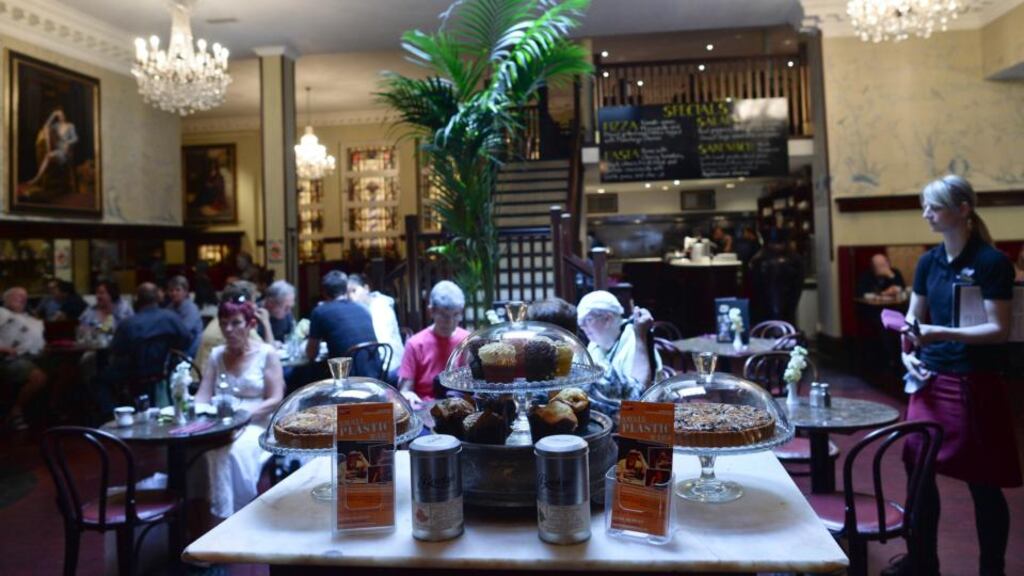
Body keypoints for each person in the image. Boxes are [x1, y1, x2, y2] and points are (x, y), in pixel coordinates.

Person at [895, 175, 1019, 576]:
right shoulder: (929, 261)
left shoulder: (991, 263)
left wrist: (937, 333)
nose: (926, 213)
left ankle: (992, 570)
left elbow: (997, 329)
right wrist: (907, 353)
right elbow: (912, 321)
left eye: (934, 206)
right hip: (930, 379)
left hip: (974, 381)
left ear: (963, 210)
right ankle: (923, 560)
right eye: (925, 206)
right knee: (918, 472)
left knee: (983, 483)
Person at [192, 298, 285, 520]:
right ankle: (201, 512)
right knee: (197, 449)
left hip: (258, 419)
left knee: (231, 452)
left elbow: (275, 398)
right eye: (224, 324)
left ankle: (235, 514)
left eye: (236, 323)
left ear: (251, 324)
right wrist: (197, 415)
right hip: (222, 419)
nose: (229, 330)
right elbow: (203, 394)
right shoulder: (217, 355)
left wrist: (241, 418)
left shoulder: (266, 353)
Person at [95, 283, 191, 416]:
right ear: (158, 297)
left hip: (132, 375)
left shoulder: (128, 324)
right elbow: (186, 340)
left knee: (99, 380)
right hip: (163, 373)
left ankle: (112, 416)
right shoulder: (171, 318)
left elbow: (116, 350)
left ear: (137, 299)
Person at [576, 290, 659, 416]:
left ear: (607, 319)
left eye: (588, 320)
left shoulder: (636, 343)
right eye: (580, 322)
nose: (582, 326)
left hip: (639, 417)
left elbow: (637, 396)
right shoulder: (594, 344)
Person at [397, 281, 470, 405]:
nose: (450, 322)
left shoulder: (466, 340)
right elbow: (405, 390)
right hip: (426, 408)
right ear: (431, 311)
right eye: (444, 315)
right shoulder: (415, 344)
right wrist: (408, 395)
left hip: (460, 407)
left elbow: (471, 385)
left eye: (456, 315)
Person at [306, 271, 377, 376]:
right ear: (346, 290)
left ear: (324, 292)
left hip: (345, 378)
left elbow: (311, 354)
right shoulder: (363, 308)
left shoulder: (320, 311)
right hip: (376, 374)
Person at [1, 287, 47, 431]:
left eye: (24, 297)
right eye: (17, 296)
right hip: (7, 359)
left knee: (66, 368)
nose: (22, 298)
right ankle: (16, 411)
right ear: (5, 298)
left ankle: (52, 413)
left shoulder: (29, 318)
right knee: (38, 377)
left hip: (34, 356)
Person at [195, 281, 268, 370]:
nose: (256, 306)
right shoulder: (239, 326)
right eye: (253, 302)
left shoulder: (220, 321)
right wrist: (266, 323)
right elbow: (269, 357)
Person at [347, 274, 404, 379]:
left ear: (366, 288)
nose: (351, 297)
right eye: (348, 294)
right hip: (381, 363)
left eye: (354, 290)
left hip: (391, 366)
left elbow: (382, 345)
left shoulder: (380, 307)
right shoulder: (365, 309)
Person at [747, 228, 804, 325]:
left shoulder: (759, 259)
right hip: (786, 312)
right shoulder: (794, 259)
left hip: (765, 315)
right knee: (786, 317)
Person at [166, 275, 203, 357]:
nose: (174, 293)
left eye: (178, 290)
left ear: (185, 292)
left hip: (192, 350)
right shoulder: (169, 307)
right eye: (171, 290)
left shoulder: (191, 308)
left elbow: (183, 331)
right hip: (176, 349)